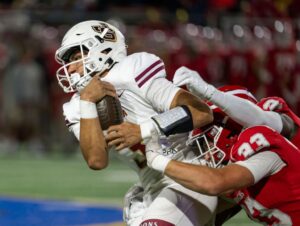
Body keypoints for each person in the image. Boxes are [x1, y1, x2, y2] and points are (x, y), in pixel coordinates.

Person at [55, 20, 217, 226]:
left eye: (78, 57)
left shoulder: (132, 71)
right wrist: (88, 102)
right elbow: (96, 160)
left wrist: (143, 130)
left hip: (189, 177)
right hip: (153, 189)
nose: (72, 68)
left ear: (103, 50)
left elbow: (201, 112)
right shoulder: (77, 105)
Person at [144, 104, 300, 225]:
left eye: (207, 144)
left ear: (228, 136)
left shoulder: (265, 153)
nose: (206, 154)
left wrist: (158, 160)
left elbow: (215, 182)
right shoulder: (240, 172)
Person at [173, 66, 300, 149]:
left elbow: (264, 120)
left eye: (209, 144)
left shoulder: (270, 115)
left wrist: (210, 93)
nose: (205, 157)